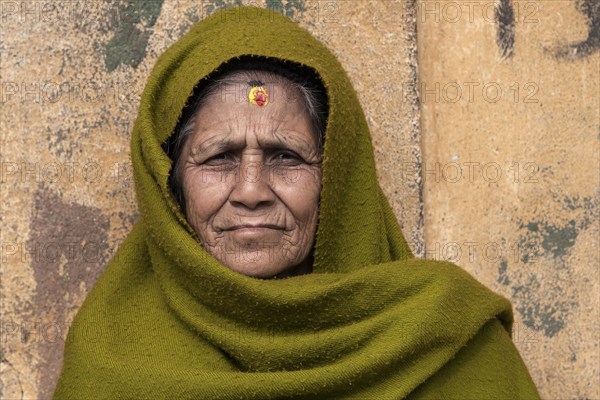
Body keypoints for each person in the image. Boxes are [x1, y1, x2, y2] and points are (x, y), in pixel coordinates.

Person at [53, 6, 540, 399]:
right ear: (172, 184)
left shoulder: (447, 344)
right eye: (219, 157)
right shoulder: (114, 364)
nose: (250, 192)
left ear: (337, 177)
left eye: (286, 157)